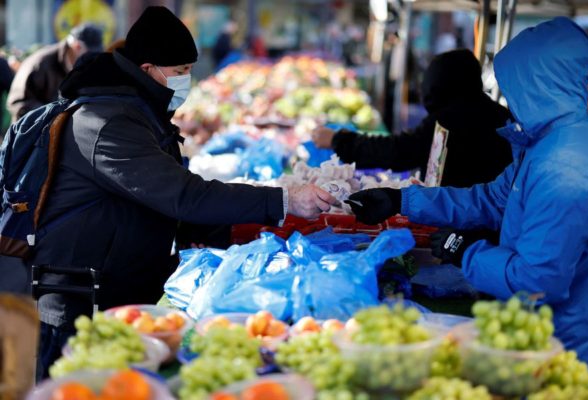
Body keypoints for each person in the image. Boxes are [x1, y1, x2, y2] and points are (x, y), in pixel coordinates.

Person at [33, 6, 336, 378]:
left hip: (117, 278)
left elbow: (166, 195)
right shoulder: (106, 122)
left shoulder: (138, 107)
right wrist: (284, 200)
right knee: (73, 383)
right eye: (180, 73)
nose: (185, 82)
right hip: (80, 291)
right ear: (148, 70)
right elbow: (183, 194)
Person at [347, 18, 588, 374]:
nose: (507, 98)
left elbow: (538, 281)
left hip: (565, 347)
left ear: (538, 85)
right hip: (540, 334)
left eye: (515, 87)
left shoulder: (564, 168)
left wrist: (466, 252)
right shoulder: (551, 142)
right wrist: (401, 201)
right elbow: (492, 200)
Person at [312, 49, 513, 188]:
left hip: (461, 225)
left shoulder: (449, 121)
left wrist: (338, 140)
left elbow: (399, 151)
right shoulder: (499, 114)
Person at [6, 23, 104, 122]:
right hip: (31, 134)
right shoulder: (39, 63)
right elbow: (17, 103)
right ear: (77, 46)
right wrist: (55, 116)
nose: (92, 60)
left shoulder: (83, 67)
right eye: (90, 54)